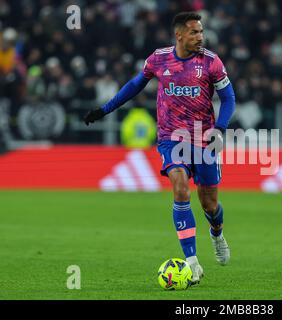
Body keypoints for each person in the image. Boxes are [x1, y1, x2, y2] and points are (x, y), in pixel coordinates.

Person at [83, 12, 235, 285]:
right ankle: (192, 262)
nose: (200, 36)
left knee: (210, 204)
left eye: (201, 32)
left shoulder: (211, 62)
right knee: (179, 188)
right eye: (194, 32)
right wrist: (105, 109)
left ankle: (217, 233)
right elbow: (134, 86)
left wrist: (220, 128)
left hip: (204, 139)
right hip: (171, 137)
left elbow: (229, 97)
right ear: (179, 35)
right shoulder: (159, 59)